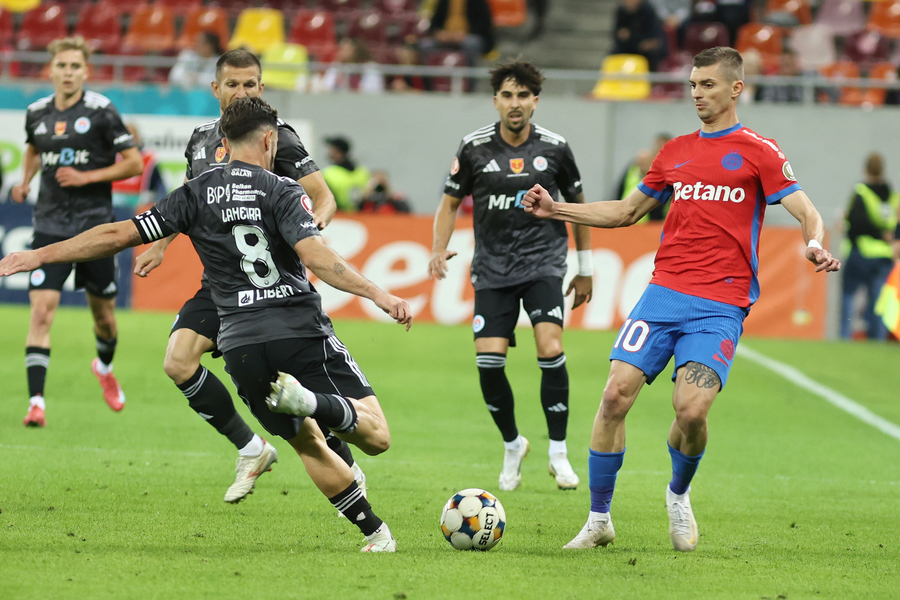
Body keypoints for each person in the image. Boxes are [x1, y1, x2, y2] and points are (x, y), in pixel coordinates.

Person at [0, 96, 413, 553]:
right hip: (298, 329)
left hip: (239, 344)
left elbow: (118, 234)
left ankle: (377, 535)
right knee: (376, 436)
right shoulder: (281, 189)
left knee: (308, 445)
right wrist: (379, 294)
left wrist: (37, 254)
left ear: (224, 142)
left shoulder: (194, 193)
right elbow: (318, 256)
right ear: (270, 139)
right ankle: (312, 401)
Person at [521, 46, 841, 552]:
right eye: (693, 85)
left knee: (691, 412)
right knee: (612, 397)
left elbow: (805, 210)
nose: (697, 94)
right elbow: (627, 212)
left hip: (721, 305)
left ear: (736, 88)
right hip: (663, 294)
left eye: (708, 85)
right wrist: (556, 209)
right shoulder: (674, 153)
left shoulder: (759, 150)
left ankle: (678, 494)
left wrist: (815, 242)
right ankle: (599, 518)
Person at [133, 49, 350, 505]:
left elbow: (324, 198)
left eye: (250, 85)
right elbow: (189, 203)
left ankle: (345, 465)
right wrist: (159, 243)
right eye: (233, 84)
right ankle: (252, 448)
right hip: (221, 284)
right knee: (178, 361)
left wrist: (309, 237)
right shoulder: (198, 141)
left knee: (294, 387)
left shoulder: (278, 139)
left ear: (262, 88)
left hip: (273, 287)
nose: (241, 92)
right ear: (216, 89)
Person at [428, 60, 594, 492]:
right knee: (488, 362)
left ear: (535, 100)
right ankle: (513, 443)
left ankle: (558, 451)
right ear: (496, 100)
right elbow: (449, 204)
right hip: (493, 268)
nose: (515, 103)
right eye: (507, 95)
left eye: (523, 95)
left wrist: (585, 267)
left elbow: (578, 206)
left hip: (543, 263)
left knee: (550, 344)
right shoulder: (473, 147)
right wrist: (437, 246)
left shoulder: (556, 148)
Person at [10, 36, 144, 428]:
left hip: (94, 229)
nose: (68, 73)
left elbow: (133, 163)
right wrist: (25, 180)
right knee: (41, 313)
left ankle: (103, 367)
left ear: (86, 71)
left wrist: (89, 176)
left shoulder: (102, 112)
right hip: (48, 226)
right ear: (50, 69)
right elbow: (34, 149)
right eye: (61, 66)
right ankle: (37, 403)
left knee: (104, 318)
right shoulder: (36, 112)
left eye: (75, 67)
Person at [841, 152, 898, 340]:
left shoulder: (862, 191)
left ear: (865, 169)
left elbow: (857, 222)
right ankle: (877, 340)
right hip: (884, 255)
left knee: (849, 294)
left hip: (862, 251)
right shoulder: (892, 195)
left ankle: (844, 336)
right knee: (878, 300)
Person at [419, 0, 495, 67]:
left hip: (468, 37)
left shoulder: (478, 1)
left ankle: (469, 79)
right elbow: (434, 24)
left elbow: (484, 24)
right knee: (425, 45)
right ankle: (430, 80)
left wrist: (465, 34)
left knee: (471, 43)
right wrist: (439, 33)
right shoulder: (443, 1)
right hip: (446, 38)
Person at [614, 133, 670, 221]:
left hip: (651, 224)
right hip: (627, 219)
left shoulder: (667, 173)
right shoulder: (631, 169)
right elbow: (619, 191)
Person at [111, 123, 168, 208]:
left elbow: (161, 190)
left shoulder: (148, 161)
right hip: (113, 210)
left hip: (138, 212)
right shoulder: (111, 159)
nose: (128, 141)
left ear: (138, 138)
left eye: (131, 136)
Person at [611, 0, 668, 72]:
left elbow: (654, 37)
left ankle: (651, 81)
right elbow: (617, 33)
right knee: (613, 55)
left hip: (646, 49)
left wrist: (631, 37)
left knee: (653, 55)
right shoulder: (621, 11)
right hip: (628, 46)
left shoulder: (648, 10)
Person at [322, 136, 370, 212]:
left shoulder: (329, 173)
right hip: (361, 215)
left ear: (338, 152)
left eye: (332, 150)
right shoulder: (362, 172)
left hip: (338, 215)